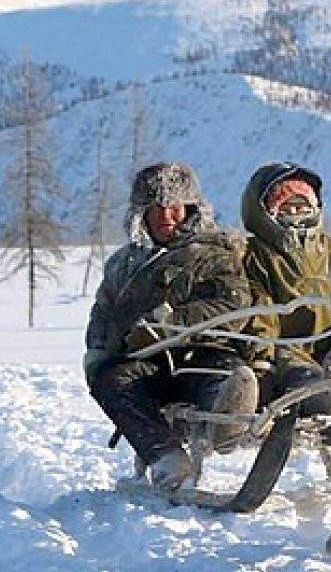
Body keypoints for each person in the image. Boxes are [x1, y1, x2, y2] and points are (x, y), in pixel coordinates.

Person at [84, 162, 258, 491]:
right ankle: (165, 457)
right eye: (157, 209)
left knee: (224, 375)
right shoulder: (123, 263)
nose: (167, 217)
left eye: (175, 208)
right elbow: (104, 309)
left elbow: (232, 304)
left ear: (190, 208)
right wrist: (97, 350)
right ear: (142, 214)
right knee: (111, 379)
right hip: (145, 364)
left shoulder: (216, 253)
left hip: (201, 354)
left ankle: (226, 423)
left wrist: (169, 324)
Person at [239, 161, 331, 420]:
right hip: (288, 352)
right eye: (287, 208)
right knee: (308, 384)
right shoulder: (255, 255)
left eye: (302, 207)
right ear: (267, 213)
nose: (296, 214)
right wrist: (262, 361)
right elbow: (260, 312)